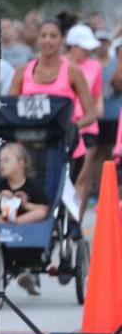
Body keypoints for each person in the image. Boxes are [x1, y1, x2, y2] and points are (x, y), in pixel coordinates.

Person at [7, 18, 98, 218]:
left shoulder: (72, 72)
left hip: (64, 147)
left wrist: (73, 126)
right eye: (43, 35)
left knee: (57, 196)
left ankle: (68, 225)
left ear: (62, 40)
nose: (48, 40)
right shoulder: (23, 72)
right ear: (37, 39)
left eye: (53, 36)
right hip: (30, 147)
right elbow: (9, 110)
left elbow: (91, 113)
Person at [66, 24, 107, 217]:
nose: (88, 52)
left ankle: (75, 222)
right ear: (72, 47)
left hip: (87, 125)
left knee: (81, 178)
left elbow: (97, 93)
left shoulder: (95, 66)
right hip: (65, 125)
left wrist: (98, 107)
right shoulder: (61, 64)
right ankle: (60, 217)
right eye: (84, 48)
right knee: (63, 177)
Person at [0, 142, 47, 224]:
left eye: (6, 160)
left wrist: (25, 205)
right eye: (0, 161)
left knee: (41, 213)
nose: (1, 164)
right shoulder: (0, 184)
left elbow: (45, 209)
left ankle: (14, 223)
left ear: (22, 162)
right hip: (1, 217)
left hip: (21, 219)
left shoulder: (32, 185)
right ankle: (5, 223)